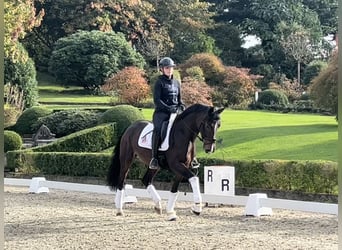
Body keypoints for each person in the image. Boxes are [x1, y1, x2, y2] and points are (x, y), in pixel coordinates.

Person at [149, 57, 199, 170]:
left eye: (171, 68)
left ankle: (192, 157)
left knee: (189, 129)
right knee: (158, 129)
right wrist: (168, 108)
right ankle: (154, 158)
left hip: (175, 112)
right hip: (161, 113)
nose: (169, 70)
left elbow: (179, 99)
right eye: (167, 68)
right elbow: (157, 100)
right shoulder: (159, 82)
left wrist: (182, 106)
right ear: (162, 69)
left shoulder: (176, 82)